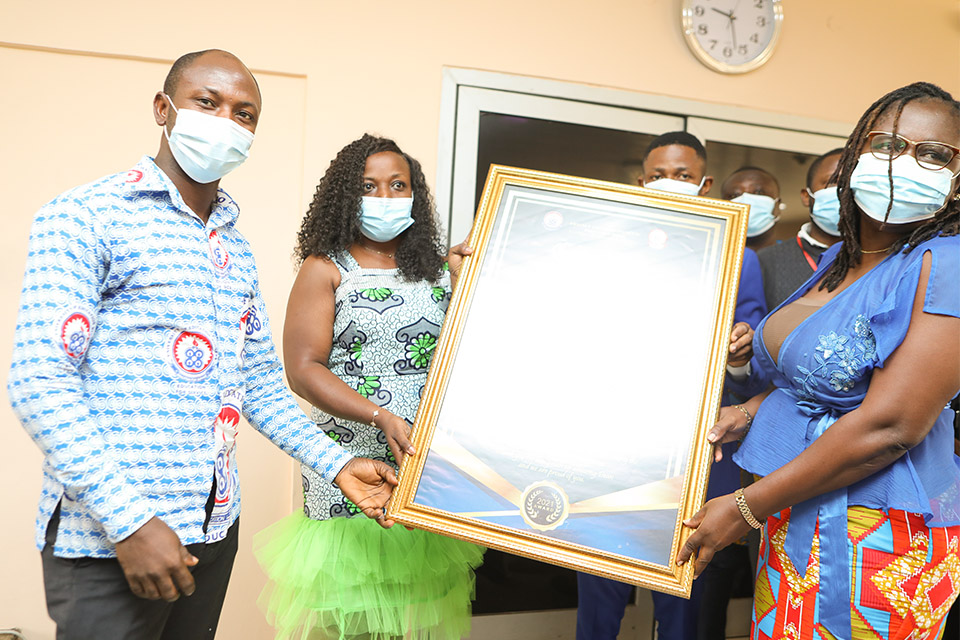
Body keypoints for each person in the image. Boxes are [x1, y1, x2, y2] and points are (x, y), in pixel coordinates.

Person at [7, 50, 399, 640]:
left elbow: (260, 385)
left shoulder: (232, 246)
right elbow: (39, 380)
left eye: (245, 114)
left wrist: (337, 463)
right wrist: (131, 522)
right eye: (207, 102)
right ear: (164, 109)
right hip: (114, 537)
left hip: (213, 530)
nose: (226, 122)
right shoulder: (85, 215)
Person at [679, 81, 960, 640]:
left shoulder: (945, 262)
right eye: (885, 144)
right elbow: (821, 374)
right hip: (795, 511)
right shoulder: (840, 258)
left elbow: (891, 425)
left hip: (875, 535)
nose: (901, 163)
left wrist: (742, 509)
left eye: (932, 154)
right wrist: (755, 408)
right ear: (856, 153)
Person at [253, 134, 484, 640]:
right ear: (345, 196)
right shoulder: (326, 269)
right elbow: (303, 370)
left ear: (415, 196)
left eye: (398, 185)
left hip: (420, 466)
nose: (385, 197)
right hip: (346, 466)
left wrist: (465, 276)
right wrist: (381, 415)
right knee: (349, 622)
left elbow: (470, 358)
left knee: (416, 613)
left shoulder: (438, 274)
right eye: (369, 186)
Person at [575, 131, 766, 640]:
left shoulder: (739, 259)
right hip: (608, 447)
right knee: (599, 593)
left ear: (704, 185)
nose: (670, 183)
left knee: (685, 598)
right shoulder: (602, 254)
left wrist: (741, 357)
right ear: (642, 181)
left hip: (695, 456)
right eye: (660, 175)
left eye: (683, 176)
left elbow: (750, 362)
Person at [757, 149, 844, 310]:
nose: (842, 191)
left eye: (851, 183)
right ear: (806, 196)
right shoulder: (768, 260)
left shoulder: (877, 260)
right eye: (833, 181)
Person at [721, 167, 782, 251]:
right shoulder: (708, 258)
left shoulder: (793, 258)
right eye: (735, 195)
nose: (746, 201)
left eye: (758, 192)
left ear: (777, 205)